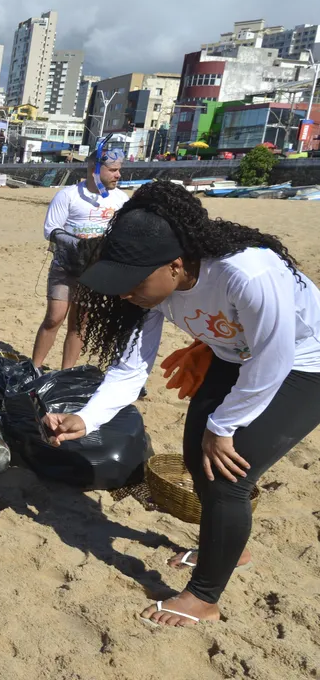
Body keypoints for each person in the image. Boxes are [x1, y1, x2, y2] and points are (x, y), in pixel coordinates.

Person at [43, 180, 320, 627]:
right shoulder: (149, 291)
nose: (122, 292)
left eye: (131, 282)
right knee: (196, 457)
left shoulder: (248, 274)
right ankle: (233, 546)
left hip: (305, 366)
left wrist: (225, 425)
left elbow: (275, 357)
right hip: (236, 356)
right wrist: (87, 417)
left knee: (228, 471)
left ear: (174, 266)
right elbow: (132, 368)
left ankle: (205, 597)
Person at [31, 142, 127, 369]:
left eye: (119, 169)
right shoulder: (68, 195)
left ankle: (66, 373)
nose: (118, 174)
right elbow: (51, 230)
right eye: (113, 170)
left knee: (79, 324)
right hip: (65, 267)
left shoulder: (121, 200)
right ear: (95, 168)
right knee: (54, 318)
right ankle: (33, 367)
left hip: (95, 271)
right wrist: (79, 245)